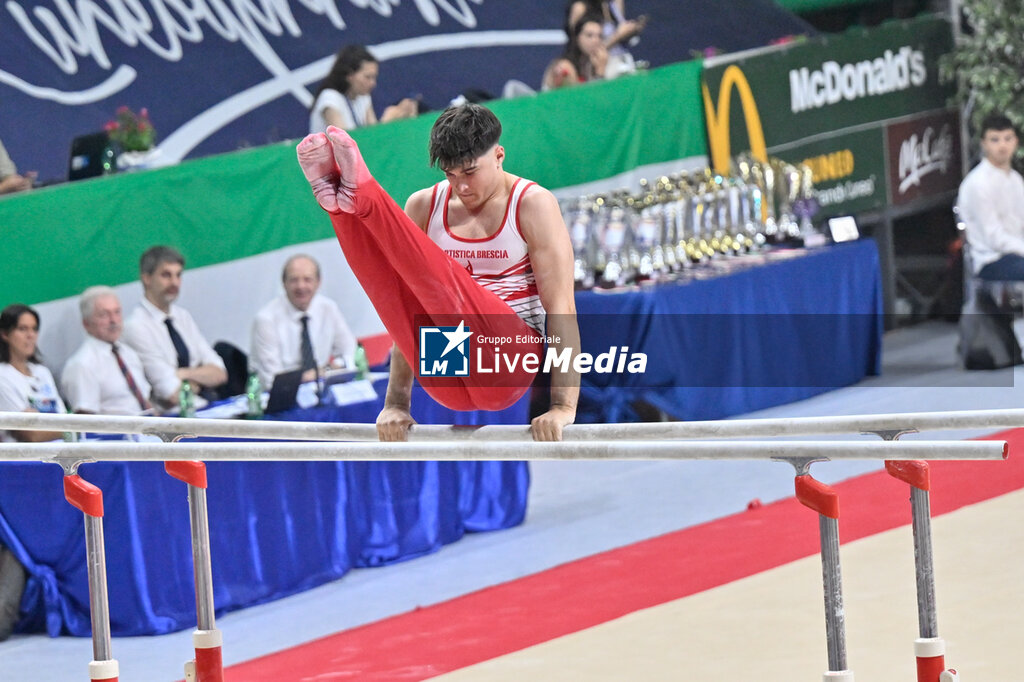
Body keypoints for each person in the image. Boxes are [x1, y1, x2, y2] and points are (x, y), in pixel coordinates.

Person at [295, 104, 580, 442]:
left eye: (470, 171)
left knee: (445, 287)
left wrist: (563, 406)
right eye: (450, 174)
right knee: (391, 288)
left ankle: (366, 194)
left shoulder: (532, 204)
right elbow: (404, 313)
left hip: (507, 362)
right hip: (446, 373)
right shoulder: (424, 205)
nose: (461, 186)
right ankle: (340, 205)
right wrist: (397, 403)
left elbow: (562, 308)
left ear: (499, 155)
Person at [122, 246, 227, 407]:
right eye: (166, 275)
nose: (174, 282)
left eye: (178, 275)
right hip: (171, 419)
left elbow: (220, 373)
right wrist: (200, 380)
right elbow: (172, 393)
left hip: (207, 407)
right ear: (147, 278)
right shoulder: (136, 326)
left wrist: (183, 374)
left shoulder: (182, 316)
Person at [249, 254, 358, 387]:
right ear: (284, 283)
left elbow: (349, 354)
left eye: (307, 279)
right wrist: (313, 376)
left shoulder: (328, 308)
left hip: (321, 387)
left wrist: (324, 372)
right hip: (280, 398)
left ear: (318, 282)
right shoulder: (266, 319)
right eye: (294, 280)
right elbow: (272, 381)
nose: (301, 286)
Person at [61, 286, 153, 415]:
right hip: (116, 433)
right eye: (104, 315)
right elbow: (86, 422)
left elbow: (144, 400)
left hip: (146, 429)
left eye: (117, 312)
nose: (113, 320)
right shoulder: (82, 364)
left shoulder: (128, 353)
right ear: (86, 324)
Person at [957, 113, 1024, 281]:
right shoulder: (978, 183)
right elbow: (994, 238)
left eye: (1007, 139)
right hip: (992, 260)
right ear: (984, 144)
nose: (1002, 146)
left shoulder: (1016, 179)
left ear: (1015, 142)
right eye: (995, 140)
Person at [309, 45, 419, 133]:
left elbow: (373, 137)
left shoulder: (363, 97)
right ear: (349, 75)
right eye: (368, 77)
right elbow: (343, 145)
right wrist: (387, 120)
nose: (373, 83)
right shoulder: (330, 98)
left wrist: (399, 119)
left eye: (374, 77)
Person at [0, 304, 65, 442]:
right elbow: (31, 434)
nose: (30, 335)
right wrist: (66, 431)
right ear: (5, 334)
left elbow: (65, 419)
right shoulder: (2, 376)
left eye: (34, 329)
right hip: (24, 460)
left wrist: (38, 421)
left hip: (60, 454)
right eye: (22, 329)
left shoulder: (42, 372)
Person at [542, 13, 608, 90]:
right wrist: (600, 73)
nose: (596, 41)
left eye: (600, 36)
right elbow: (571, 100)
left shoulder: (591, 65)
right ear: (577, 38)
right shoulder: (564, 67)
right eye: (589, 35)